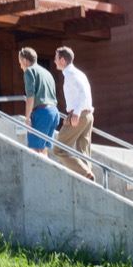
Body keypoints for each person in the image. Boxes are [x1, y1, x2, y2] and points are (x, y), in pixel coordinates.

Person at [52, 46, 96, 179]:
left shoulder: (70, 74)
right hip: (87, 114)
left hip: (81, 114)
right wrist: (71, 115)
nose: (54, 61)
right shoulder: (78, 73)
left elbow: (83, 93)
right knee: (83, 152)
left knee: (59, 149)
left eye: (56, 58)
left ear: (63, 60)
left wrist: (76, 113)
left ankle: (85, 173)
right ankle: (87, 177)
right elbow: (82, 94)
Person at [17, 47, 60, 155]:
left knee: (35, 151)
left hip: (42, 113)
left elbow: (30, 96)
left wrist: (27, 118)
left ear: (25, 61)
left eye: (20, 63)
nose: (20, 66)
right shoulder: (47, 73)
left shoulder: (29, 71)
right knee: (43, 150)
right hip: (54, 112)